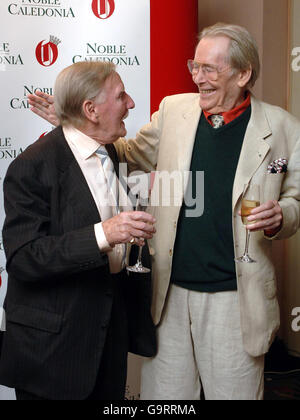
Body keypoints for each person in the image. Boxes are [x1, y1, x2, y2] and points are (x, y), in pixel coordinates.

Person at [27, 23, 300, 400]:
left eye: (209, 69)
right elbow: (123, 154)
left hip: (235, 300)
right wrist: (77, 124)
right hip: (167, 295)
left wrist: (282, 216)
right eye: (195, 65)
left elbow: (295, 200)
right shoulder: (174, 110)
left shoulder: (284, 128)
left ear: (243, 73)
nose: (197, 78)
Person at [0, 61, 157, 400]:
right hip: (51, 353)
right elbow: (24, 258)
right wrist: (105, 233)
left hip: (107, 345)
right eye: (121, 96)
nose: (131, 104)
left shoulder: (111, 152)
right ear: (91, 110)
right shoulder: (31, 166)